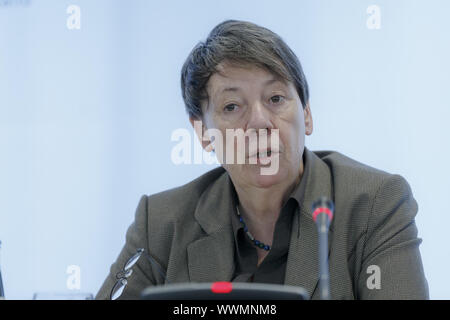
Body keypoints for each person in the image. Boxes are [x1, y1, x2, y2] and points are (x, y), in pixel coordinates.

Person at [96, 19, 429, 300]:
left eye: (275, 98)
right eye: (231, 107)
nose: (258, 122)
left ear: (307, 115)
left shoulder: (374, 206)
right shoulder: (161, 224)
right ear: (202, 134)